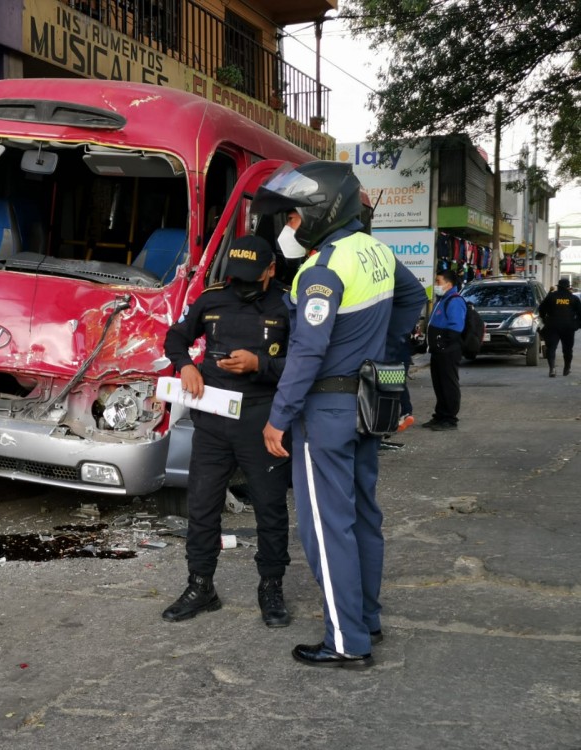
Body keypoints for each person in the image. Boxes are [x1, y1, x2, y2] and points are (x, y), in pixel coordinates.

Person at [254, 161, 424, 669]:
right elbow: (413, 297)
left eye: (293, 217)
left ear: (321, 210)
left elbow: (307, 352)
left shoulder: (322, 267)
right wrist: (386, 358)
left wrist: (278, 417)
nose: (290, 227)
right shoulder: (376, 251)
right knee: (363, 516)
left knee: (328, 529)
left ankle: (348, 642)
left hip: (325, 411)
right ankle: (366, 617)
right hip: (369, 404)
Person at [161, 236, 292, 626]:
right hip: (213, 420)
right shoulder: (213, 297)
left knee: (269, 507)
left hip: (261, 420)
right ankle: (201, 586)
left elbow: (304, 363)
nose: (243, 284)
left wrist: (259, 365)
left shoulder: (288, 303)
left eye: (252, 277)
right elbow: (176, 336)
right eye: (238, 277)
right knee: (201, 506)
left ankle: (271, 587)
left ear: (271, 270)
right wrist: (184, 364)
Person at [423, 269, 466, 430]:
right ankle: (440, 415)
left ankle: (449, 419)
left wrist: (442, 344)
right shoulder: (442, 299)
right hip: (438, 351)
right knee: (439, 385)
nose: (435, 284)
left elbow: (456, 327)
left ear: (449, 284)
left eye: (438, 281)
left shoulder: (454, 301)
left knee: (448, 385)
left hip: (447, 351)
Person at [538, 278, 581, 377]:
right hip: (568, 327)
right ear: (568, 287)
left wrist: (545, 319)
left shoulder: (551, 297)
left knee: (551, 348)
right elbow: (580, 314)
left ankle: (552, 369)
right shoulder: (573, 298)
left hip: (553, 326)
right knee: (567, 349)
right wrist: (576, 325)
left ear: (558, 286)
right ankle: (567, 368)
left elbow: (541, 309)